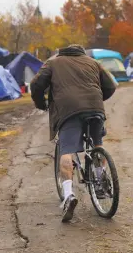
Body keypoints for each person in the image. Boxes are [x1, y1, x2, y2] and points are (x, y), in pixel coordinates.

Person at [30, 44, 117, 222]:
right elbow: (110, 86)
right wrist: (97, 98)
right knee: (97, 143)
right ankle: (100, 179)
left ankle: (69, 195)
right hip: (95, 107)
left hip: (69, 110)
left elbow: (36, 85)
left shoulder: (53, 63)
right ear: (81, 52)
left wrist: (41, 103)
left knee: (66, 151)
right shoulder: (93, 62)